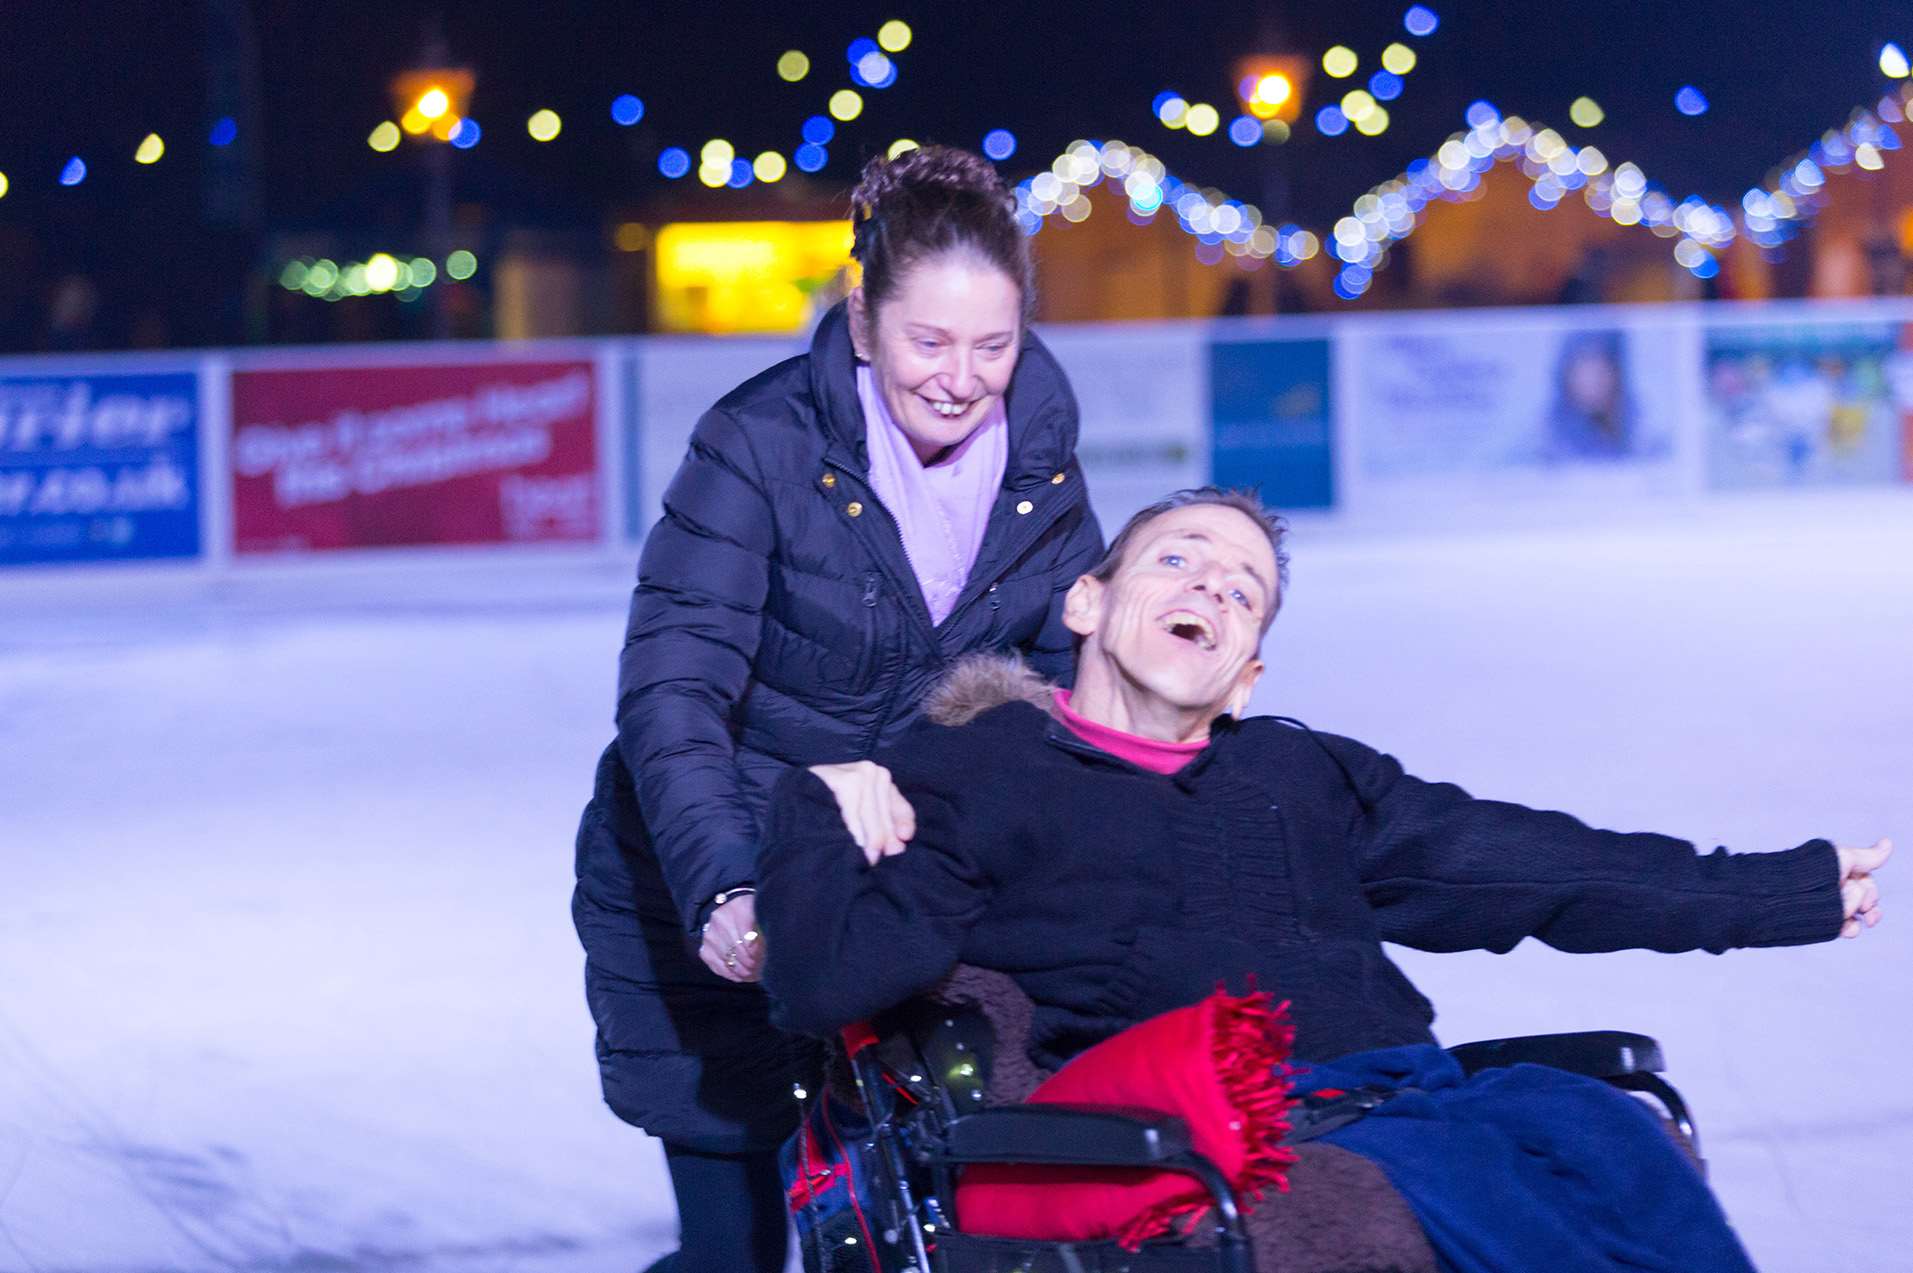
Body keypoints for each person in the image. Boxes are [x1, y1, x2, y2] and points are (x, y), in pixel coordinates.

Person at [756, 487, 1889, 1273]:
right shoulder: (979, 768)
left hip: (1415, 1093)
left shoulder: (1296, 770)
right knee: (1461, 1187)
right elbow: (830, 979)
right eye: (1177, 558)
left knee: (1604, 1129)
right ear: (1087, 605)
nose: (1211, 581)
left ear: (1243, 676)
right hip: (1220, 1128)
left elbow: (1531, 864)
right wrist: (819, 801)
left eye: (1243, 587)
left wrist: (1772, 893)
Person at [570, 145, 1104, 1273]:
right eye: (928, 341)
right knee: (746, 1250)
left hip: (901, 911)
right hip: (716, 892)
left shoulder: (1042, 471)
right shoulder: (758, 445)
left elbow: (1068, 695)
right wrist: (724, 882)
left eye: (991, 345)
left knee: (909, 1233)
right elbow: (673, 690)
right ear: (862, 323)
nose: (959, 377)